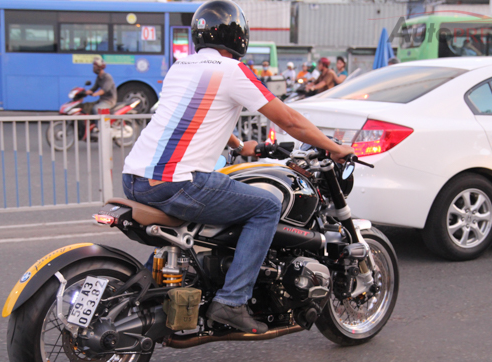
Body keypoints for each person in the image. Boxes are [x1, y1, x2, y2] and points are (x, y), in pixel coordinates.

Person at [121, 0, 354, 335]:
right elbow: (290, 121)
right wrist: (335, 148)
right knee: (266, 206)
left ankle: (154, 290)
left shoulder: (181, 66)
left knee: (205, 211)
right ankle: (232, 301)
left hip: (135, 178)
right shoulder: (232, 70)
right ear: (239, 36)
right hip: (177, 182)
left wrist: (238, 145)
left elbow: (189, 113)